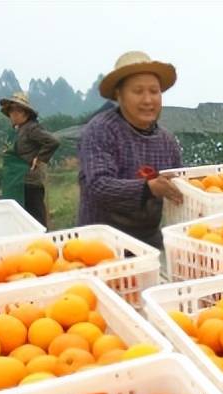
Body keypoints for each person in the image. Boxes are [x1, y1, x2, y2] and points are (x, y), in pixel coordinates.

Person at [77, 51, 183, 248]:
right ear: (119, 95)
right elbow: (99, 185)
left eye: (154, 91)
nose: (148, 100)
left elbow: (178, 186)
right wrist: (148, 188)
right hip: (101, 242)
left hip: (148, 241)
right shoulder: (101, 130)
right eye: (138, 91)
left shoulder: (167, 141)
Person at [0, 92, 59, 227]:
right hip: (15, 182)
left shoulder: (32, 128)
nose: (13, 114)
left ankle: (42, 239)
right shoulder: (16, 130)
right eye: (11, 110)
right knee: (20, 221)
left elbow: (53, 141)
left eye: (18, 110)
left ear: (26, 114)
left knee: (36, 219)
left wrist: (39, 158)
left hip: (29, 182)